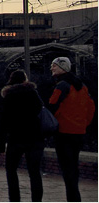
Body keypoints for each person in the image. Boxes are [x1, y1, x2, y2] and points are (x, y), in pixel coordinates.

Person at [47, 56, 95, 202]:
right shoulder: (82, 86)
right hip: (79, 131)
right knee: (73, 165)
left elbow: (52, 105)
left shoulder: (62, 86)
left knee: (67, 168)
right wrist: (84, 123)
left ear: (62, 68)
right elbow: (91, 107)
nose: (51, 68)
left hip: (64, 132)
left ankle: (73, 198)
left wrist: (53, 123)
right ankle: (75, 197)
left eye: (54, 66)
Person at [0, 69, 44, 201]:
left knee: (11, 171)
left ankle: (15, 199)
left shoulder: (9, 96)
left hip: (16, 139)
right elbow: (41, 111)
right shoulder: (33, 93)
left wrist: (1, 144)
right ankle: (36, 200)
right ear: (25, 79)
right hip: (35, 138)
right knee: (35, 173)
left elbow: (4, 121)